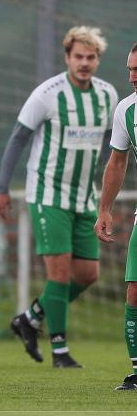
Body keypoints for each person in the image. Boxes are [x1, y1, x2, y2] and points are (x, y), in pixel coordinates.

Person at [0, 26, 117, 368]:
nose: (84, 63)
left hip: (84, 197)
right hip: (48, 194)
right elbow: (18, 138)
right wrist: (1, 187)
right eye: (78, 56)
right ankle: (60, 352)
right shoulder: (47, 93)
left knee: (88, 275)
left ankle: (29, 318)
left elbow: (116, 146)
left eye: (90, 57)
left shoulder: (107, 95)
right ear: (67, 58)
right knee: (59, 274)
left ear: (97, 60)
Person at [95, 43, 137, 391]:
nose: (132, 76)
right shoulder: (126, 110)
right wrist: (105, 208)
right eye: (129, 69)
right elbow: (117, 162)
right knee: (135, 291)